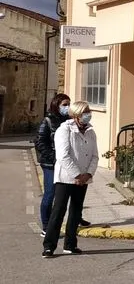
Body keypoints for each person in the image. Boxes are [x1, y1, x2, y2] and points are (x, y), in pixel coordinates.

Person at [42, 101, 98, 258]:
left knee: (76, 211)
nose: (88, 114)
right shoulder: (64, 130)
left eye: (89, 111)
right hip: (66, 177)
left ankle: (70, 244)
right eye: (85, 111)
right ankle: (49, 246)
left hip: (84, 178)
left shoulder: (90, 131)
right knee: (59, 211)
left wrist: (88, 174)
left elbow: (94, 156)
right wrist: (77, 175)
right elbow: (63, 156)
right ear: (77, 114)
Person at [35, 94, 90, 234]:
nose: (67, 107)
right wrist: (54, 158)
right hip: (51, 164)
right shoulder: (48, 121)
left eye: (69, 104)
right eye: (64, 104)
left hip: (69, 163)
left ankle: (77, 218)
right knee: (50, 194)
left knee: (75, 192)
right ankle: (46, 226)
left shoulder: (71, 121)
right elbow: (40, 142)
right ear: (56, 105)